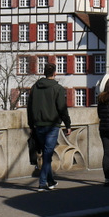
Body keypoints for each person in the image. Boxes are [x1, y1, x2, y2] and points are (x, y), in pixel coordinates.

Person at [27, 63, 71, 191]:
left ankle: (51, 181)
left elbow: (29, 108)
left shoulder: (35, 87)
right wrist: (68, 124)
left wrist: (31, 124)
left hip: (38, 125)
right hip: (52, 125)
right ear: (55, 73)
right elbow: (62, 109)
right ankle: (42, 182)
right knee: (47, 154)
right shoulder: (58, 88)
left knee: (47, 154)